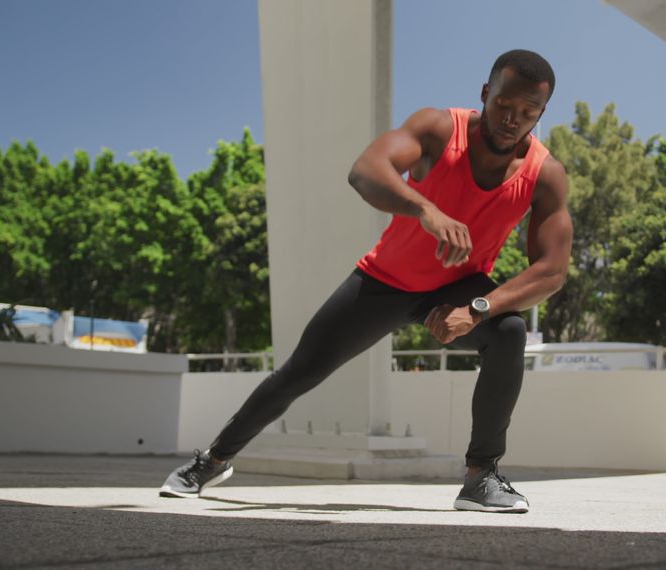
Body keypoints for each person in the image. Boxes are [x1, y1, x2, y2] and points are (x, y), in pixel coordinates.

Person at [160, 49, 572, 513]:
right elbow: (365, 171)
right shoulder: (439, 129)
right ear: (485, 94)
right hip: (385, 280)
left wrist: (478, 309)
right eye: (503, 105)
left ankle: (481, 477)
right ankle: (213, 460)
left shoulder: (545, 174)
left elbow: (552, 270)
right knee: (300, 371)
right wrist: (425, 209)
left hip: (458, 288)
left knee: (509, 332)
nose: (512, 119)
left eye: (528, 113)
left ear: (541, 113)